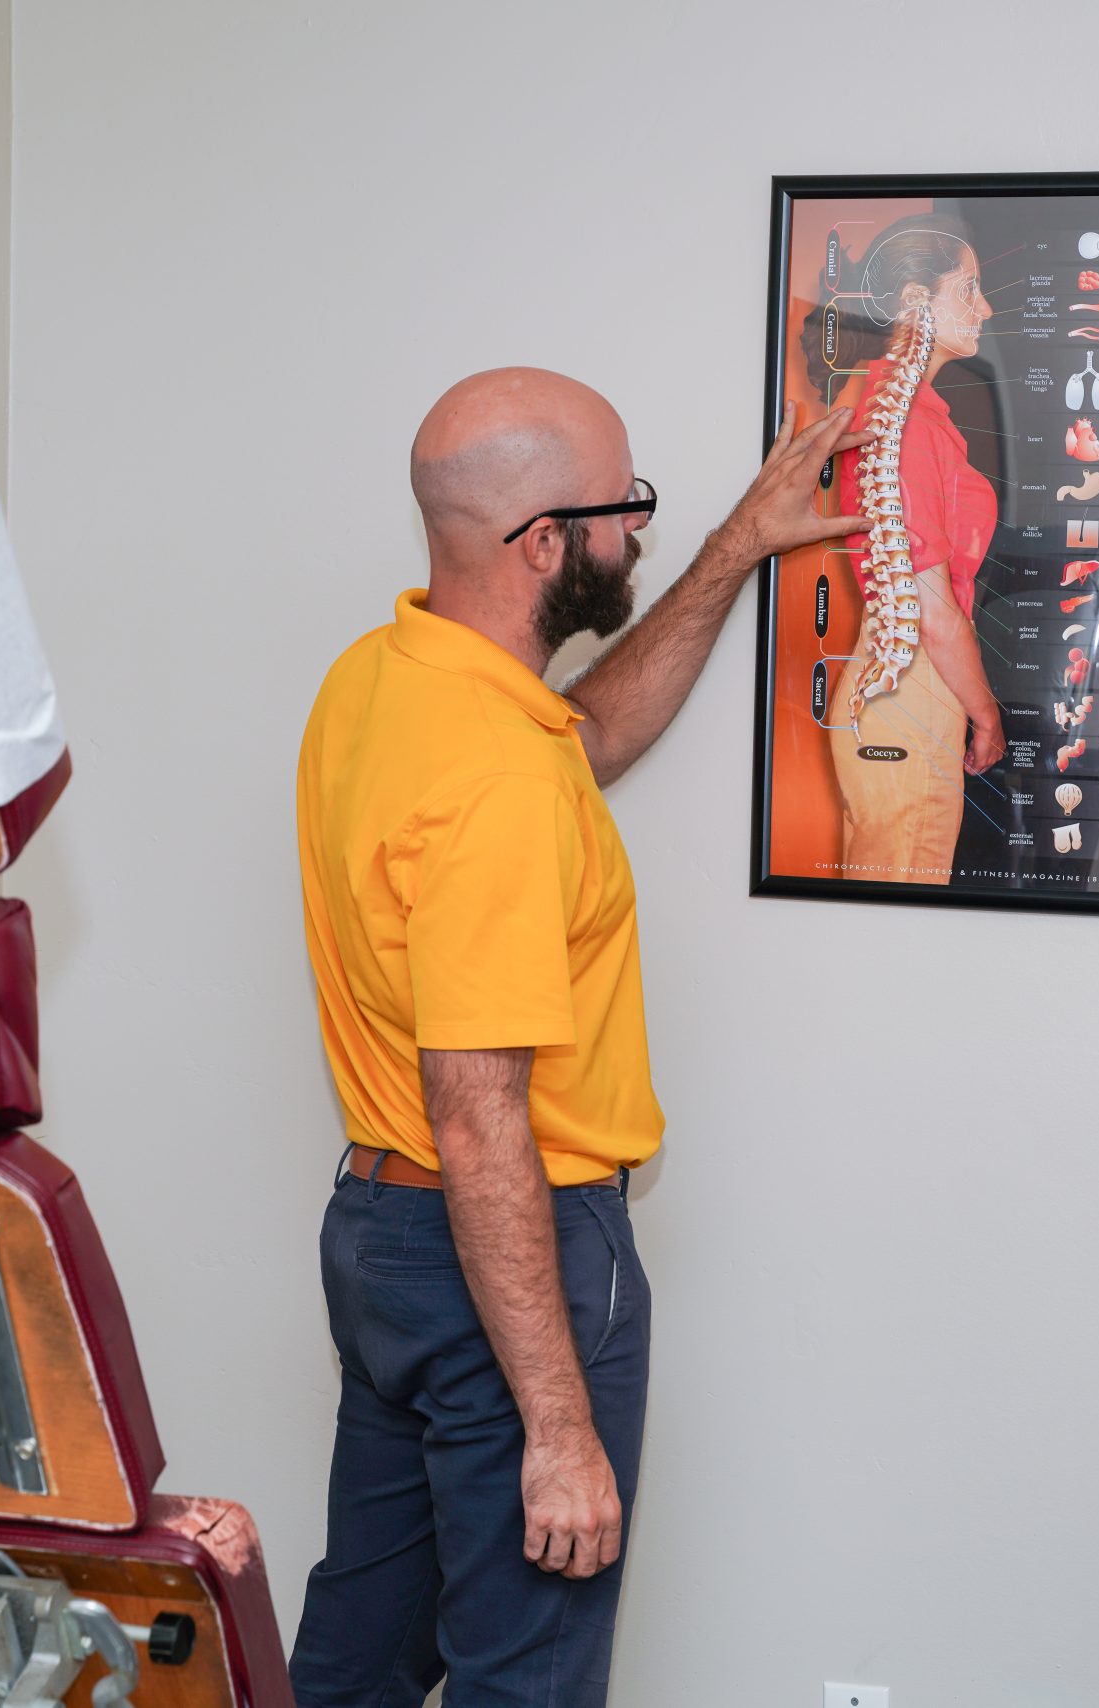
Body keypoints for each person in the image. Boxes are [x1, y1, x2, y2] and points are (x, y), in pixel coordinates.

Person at [290, 369, 865, 1706]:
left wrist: (732, 552)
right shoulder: (493, 783)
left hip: (382, 1247)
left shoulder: (386, 682)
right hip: (513, 1248)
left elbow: (587, 737)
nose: (639, 533)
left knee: (358, 1665)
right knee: (526, 1676)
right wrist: (558, 1426)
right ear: (548, 544)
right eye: (630, 511)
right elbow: (480, 1111)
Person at [827, 215, 1005, 883]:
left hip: (900, 691)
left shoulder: (902, 408)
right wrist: (985, 713)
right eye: (968, 289)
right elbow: (930, 609)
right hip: (914, 687)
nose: (984, 308)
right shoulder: (904, 422)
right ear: (914, 301)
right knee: (898, 911)